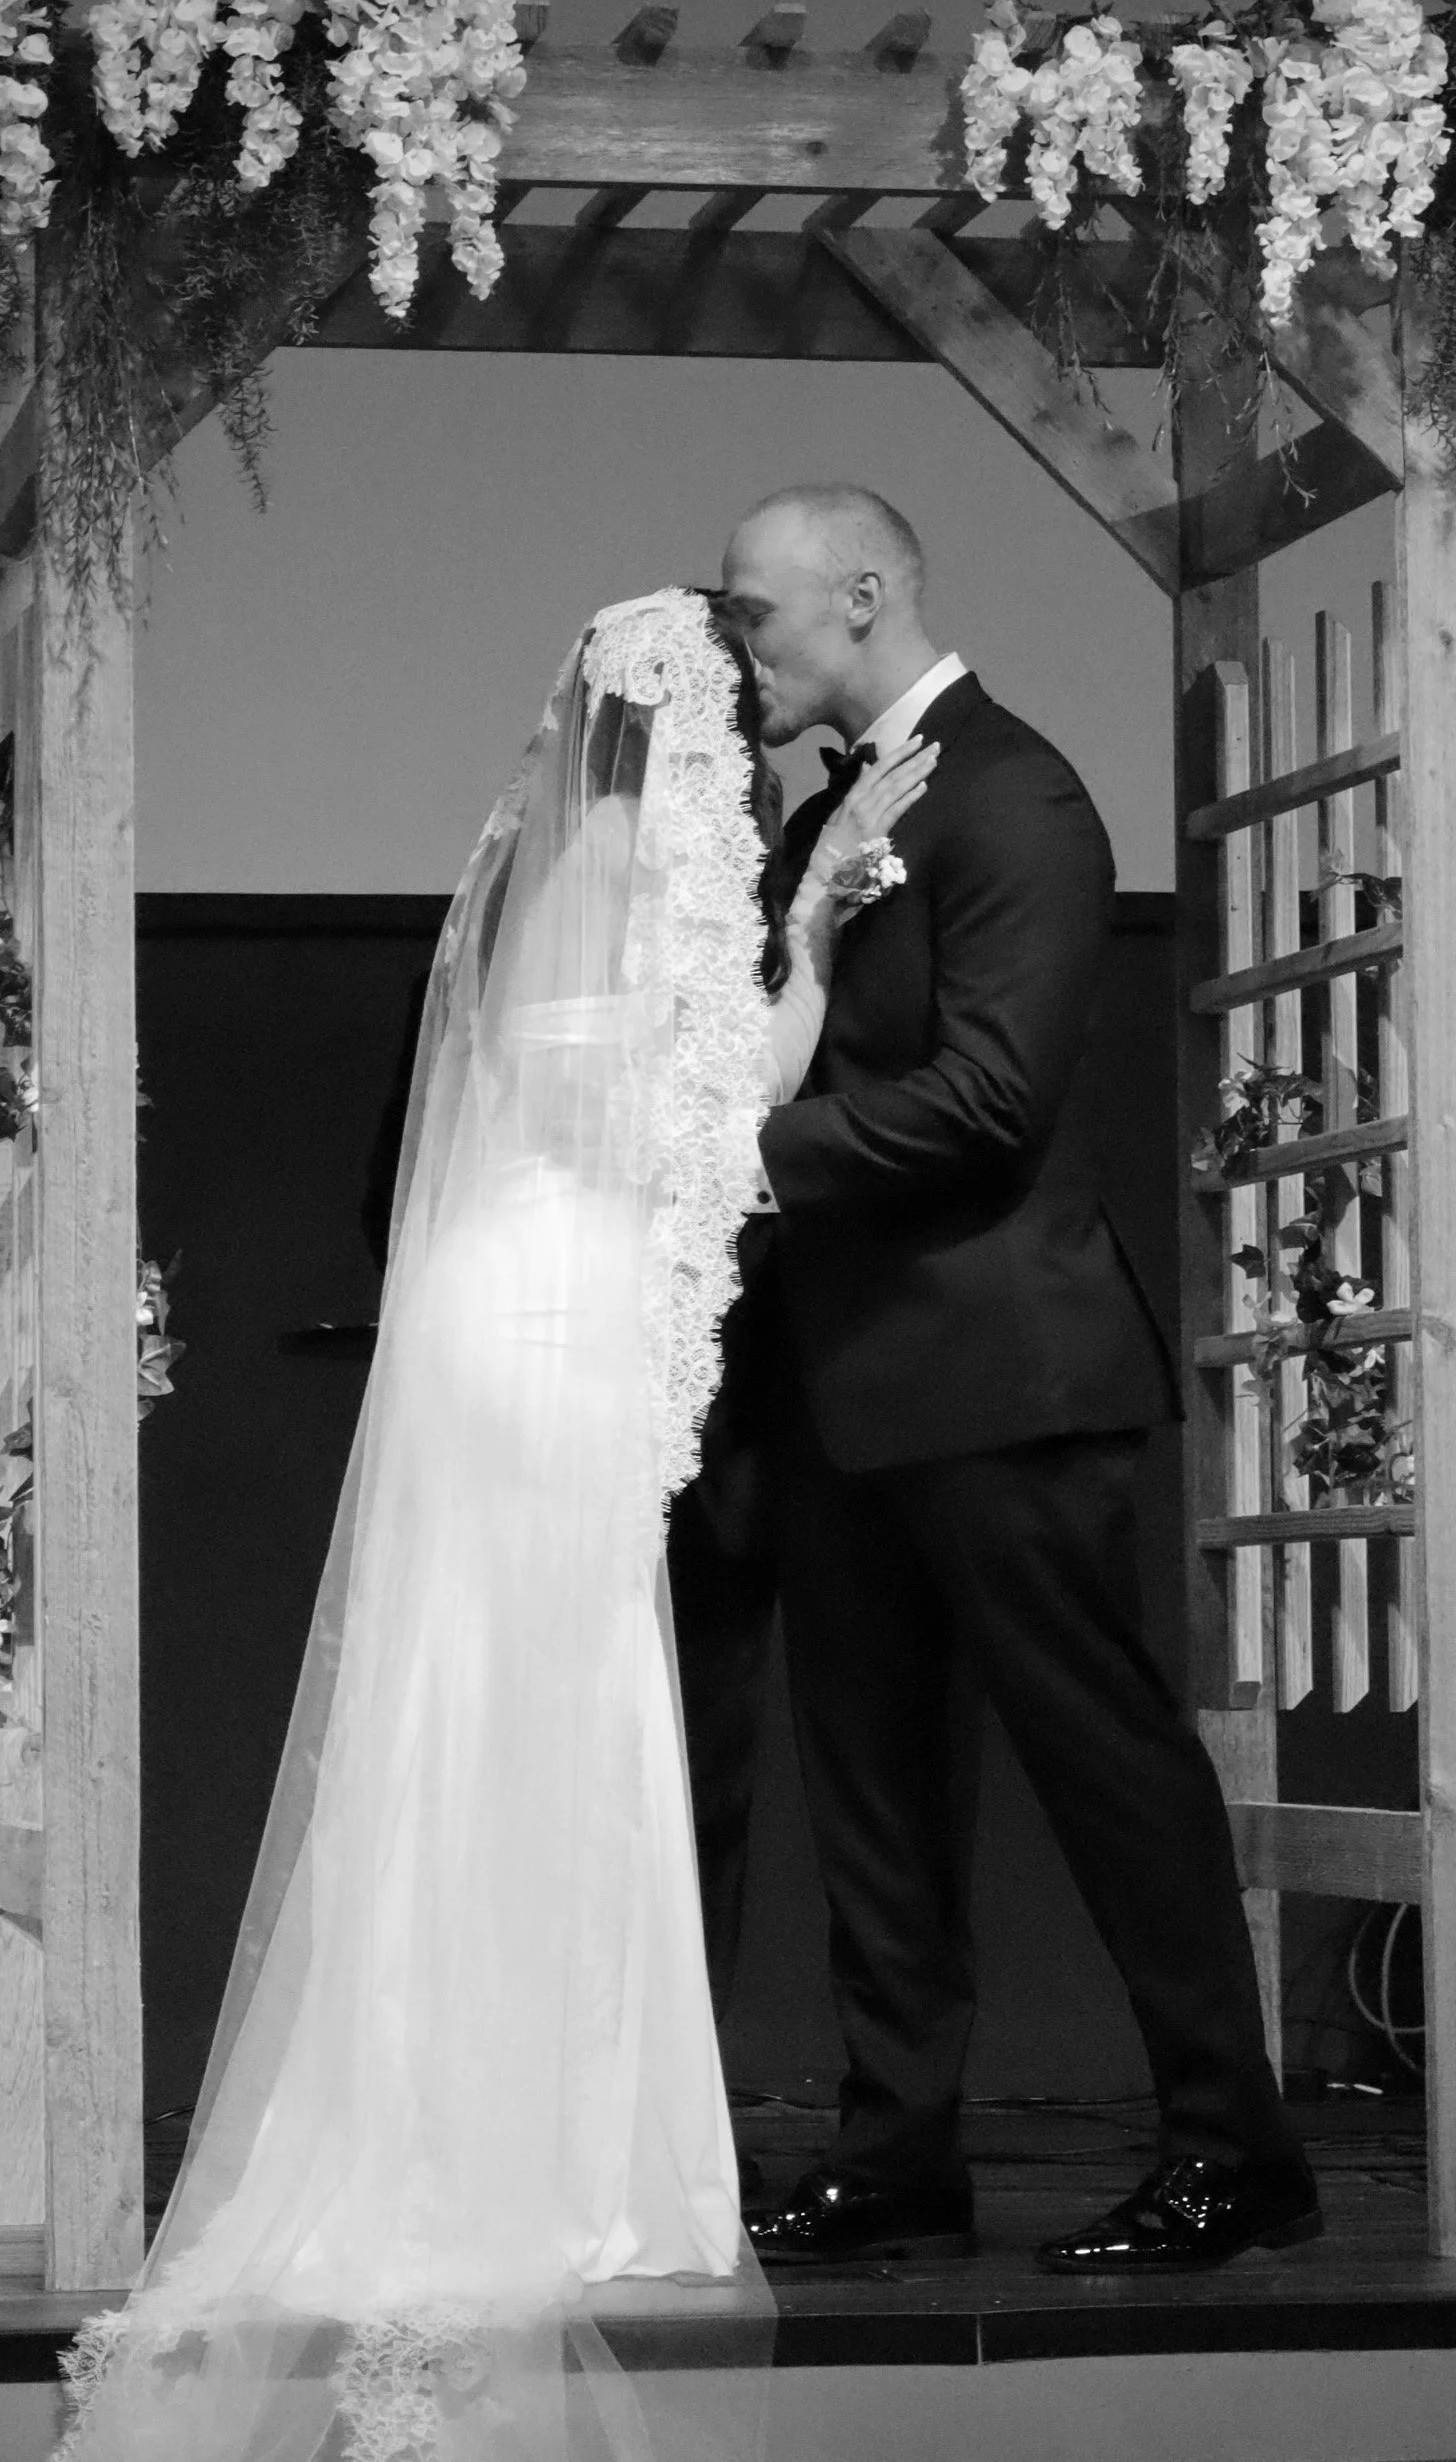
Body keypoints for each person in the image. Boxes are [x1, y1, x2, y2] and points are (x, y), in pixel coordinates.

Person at [58, 587, 932, 2462]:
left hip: (499, 1297)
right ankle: (541, 2151)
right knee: (550, 1707)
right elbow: (718, 1112)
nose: (768, 739)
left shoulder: (548, 850)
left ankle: (464, 2113)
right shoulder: (639, 861)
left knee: (475, 1708)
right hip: (553, 1319)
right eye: (746, 708)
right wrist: (810, 931)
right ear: (693, 726)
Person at [705, 485, 1323, 2276]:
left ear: (865, 593)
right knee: (875, 1787)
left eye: (761, 614)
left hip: (1001, 1369)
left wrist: (738, 1157)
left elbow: (990, 1102)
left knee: (1108, 1765)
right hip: (845, 1384)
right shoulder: (835, 813)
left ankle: (1237, 2143)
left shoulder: (1016, 794)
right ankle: (900, 2153)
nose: (749, 648)